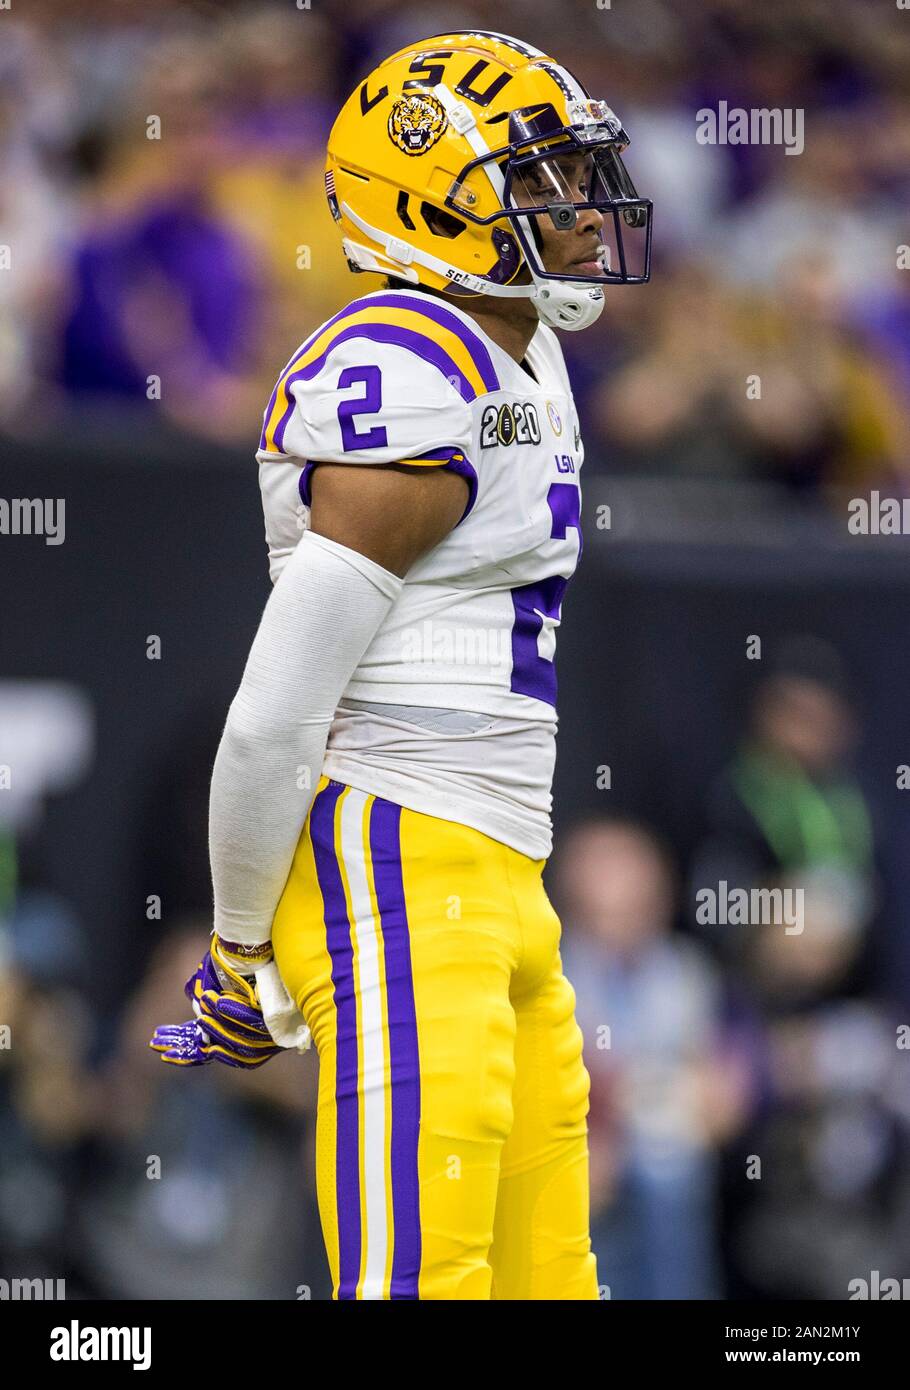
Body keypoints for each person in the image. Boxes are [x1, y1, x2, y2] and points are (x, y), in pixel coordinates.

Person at [151, 29, 652, 1301]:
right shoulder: (403, 371)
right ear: (428, 205)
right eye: (535, 182)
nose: (576, 208)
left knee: (551, 1283)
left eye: (570, 171)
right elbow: (273, 717)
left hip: (497, 872)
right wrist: (237, 949)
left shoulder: (516, 348)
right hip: (397, 851)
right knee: (421, 1281)